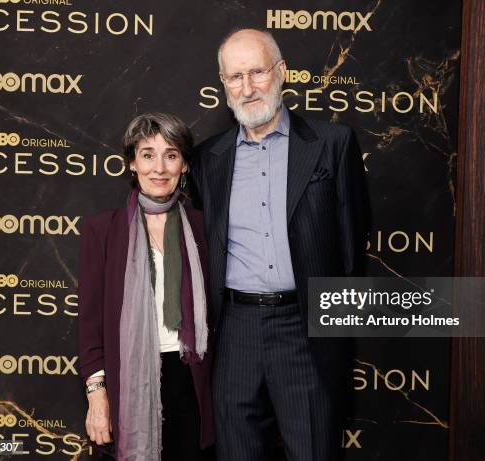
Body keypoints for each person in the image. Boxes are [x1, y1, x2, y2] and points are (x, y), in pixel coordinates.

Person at [190, 29, 369, 461]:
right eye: (235, 77)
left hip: (304, 328)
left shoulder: (332, 144)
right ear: (223, 83)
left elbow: (351, 251)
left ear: (282, 72)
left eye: (257, 72)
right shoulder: (207, 160)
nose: (247, 88)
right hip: (234, 331)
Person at [77, 113, 214, 461]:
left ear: (184, 165)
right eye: (147, 154)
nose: (159, 167)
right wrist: (97, 395)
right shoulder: (101, 230)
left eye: (171, 155)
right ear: (132, 163)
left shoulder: (204, 226)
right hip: (130, 380)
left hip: (194, 380)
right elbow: (90, 325)